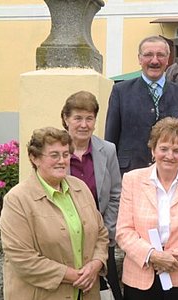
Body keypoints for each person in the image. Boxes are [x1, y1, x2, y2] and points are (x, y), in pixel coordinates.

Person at [116, 117, 178, 300]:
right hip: (141, 276)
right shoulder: (132, 180)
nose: (169, 155)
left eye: (176, 150)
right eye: (163, 148)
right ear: (153, 150)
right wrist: (152, 255)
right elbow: (124, 231)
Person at [0, 127, 109, 300]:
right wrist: (75, 276)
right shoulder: (17, 200)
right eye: (54, 155)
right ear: (34, 158)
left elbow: (101, 234)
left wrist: (96, 264)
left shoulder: (80, 187)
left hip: (87, 293)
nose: (62, 161)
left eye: (66, 154)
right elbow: (22, 258)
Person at [61, 91, 123, 299]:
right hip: (64, 238)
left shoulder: (108, 150)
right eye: (77, 118)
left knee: (107, 291)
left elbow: (116, 195)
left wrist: (106, 233)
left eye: (89, 118)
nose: (84, 124)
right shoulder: (55, 152)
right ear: (65, 119)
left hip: (100, 238)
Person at [105, 35, 178, 175]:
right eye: (148, 55)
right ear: (139, 59)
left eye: (160, 55)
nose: (154, 60)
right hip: (129, 172)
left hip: (172, 174)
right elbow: (111, 140)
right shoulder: (120, 91)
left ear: (168, 59)